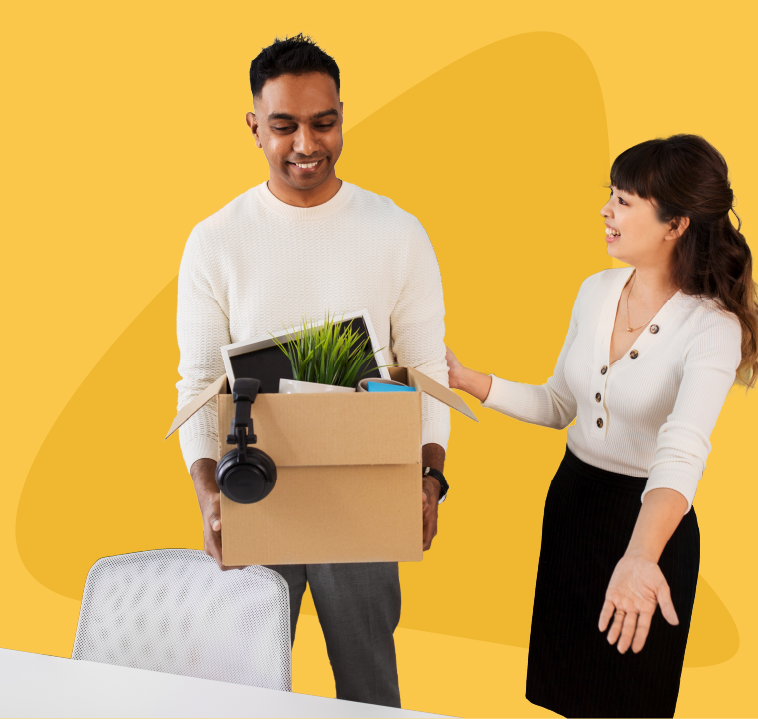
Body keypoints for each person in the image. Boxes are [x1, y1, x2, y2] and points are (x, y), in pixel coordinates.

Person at [445, 135, 758, 718]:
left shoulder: (712, 329)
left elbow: (682, 451)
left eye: (623, 201)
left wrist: (641, 556)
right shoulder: (594, 292)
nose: (605, 211)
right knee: (563, 693)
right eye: (610, 197)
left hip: (648, 530)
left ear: (675, 224)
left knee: (625, 701)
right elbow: (559, 404)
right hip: (572, 508)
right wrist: (470, 380)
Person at [174, 35, 450, 709]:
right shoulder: (216, 240)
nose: (306, 143)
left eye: (323, 123)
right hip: (253, 487)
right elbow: (197, 382)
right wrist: (209, 492)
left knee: (368, 691)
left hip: (364, 495)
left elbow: (425, 370)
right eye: (283, 125)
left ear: (342, 116)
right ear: (253, 127)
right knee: (246, 692)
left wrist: (430, 476)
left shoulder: (396, 231)